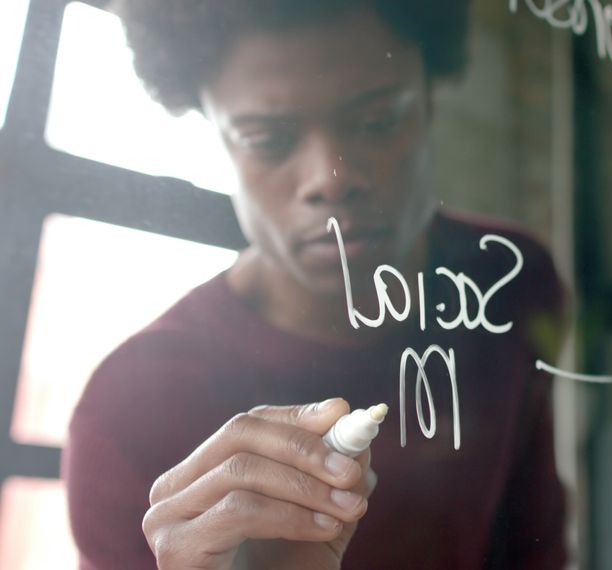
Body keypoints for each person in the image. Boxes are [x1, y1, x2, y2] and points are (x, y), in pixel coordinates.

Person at [60, 0, 569, 568]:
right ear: (216, 136)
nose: (332, 177)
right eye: (269, 141)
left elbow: (535, 544)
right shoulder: (128, 407)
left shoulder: (510, 280)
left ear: (429, 99)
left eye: (377, 122)